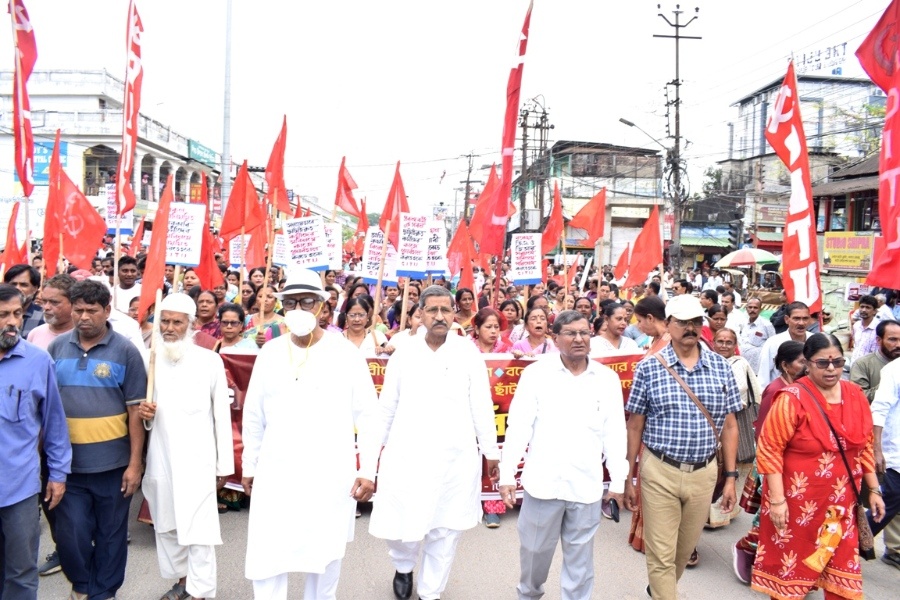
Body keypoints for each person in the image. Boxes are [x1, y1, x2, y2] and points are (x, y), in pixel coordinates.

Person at [242, 270, 379, 600]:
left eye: (306, 302)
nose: (298, 309)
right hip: (276, 471)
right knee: (268, 553)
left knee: (324, 554)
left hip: (329, 473)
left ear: (322, 305)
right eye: (290, 303)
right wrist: (249, 464)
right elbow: (254, 416)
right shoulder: (270, 352)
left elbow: (368, 416)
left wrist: (367, 470)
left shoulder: (346, 353)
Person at [368, 285, 500, 600]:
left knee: (446, 528)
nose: (439, 316)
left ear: (454, 314)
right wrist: (369, 461)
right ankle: (403, 565)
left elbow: (481, 405)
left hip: (455, 457)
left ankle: (430, 592)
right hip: (407, 454)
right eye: (432, 310)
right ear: (421, 314)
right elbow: (386, 409)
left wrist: (491, 451)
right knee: (401, 521)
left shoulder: (467, 352)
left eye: (445, 310)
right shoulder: (404, 352)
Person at [499, 310, 627, 600]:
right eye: (570, 333)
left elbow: (615, 434)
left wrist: (618, 482)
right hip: (543, 485)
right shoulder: (536, 374)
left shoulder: (606, 379)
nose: (579, 339)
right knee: (534, 554)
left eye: (584, 333)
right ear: (555, 338)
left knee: (580, 563)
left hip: (586, 485)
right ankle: (529, 595)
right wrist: (507, 474)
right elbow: (518, 428)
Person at [624, 294, 742, 599]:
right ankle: (665, 592)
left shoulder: (721, 367)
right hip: (659, 469)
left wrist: (731, 478)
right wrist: (628, 476)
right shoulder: (649, 368)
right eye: (683, 322)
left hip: (704, 473)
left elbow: (730, 426)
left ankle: (659, 590)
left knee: (684, 550)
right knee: (661, 554)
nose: (690, 328)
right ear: (668, 324)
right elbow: (635, 425)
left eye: (696, 322)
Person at [751, 334, 886, 599]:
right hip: (794, 506)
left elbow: (865, 445)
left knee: (843, 581)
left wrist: (874, 490)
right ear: (808, 363)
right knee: (790, 581)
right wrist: (777, 502)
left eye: (838, 362)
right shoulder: (791, 399)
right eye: (823, 363)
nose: (832, 369)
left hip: (840, 507)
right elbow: (770, 450)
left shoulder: (855, 395)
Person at [48, 280, 148, 600]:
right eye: (78, 310)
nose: (84, 317)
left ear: (107, 310)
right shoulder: (56, 348)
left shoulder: (126, 352)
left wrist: (135, 464)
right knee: (71, 534)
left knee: (111, 535)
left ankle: (103, 592)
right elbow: (46, 406)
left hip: (114, 466)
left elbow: (135, 411)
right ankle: (81, 584)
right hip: (68, 466)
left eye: (92, 310)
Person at [138, 294, 234, 600]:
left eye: (176, 322)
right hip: (161, 456)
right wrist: (145, 416)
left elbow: (221, 415)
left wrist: (224, 465)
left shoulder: (210, 361)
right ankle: (183, 581)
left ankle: (200, 591)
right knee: (166, 523)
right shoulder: (149, 358)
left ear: (190, 325)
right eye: (164, 321)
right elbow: (142, 414)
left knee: (199, 528)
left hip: (198, 460)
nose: (169, 327)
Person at [0, 283, 71, 599]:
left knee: (21, 572)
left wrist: (58, 474)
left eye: (17, 313)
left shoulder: (38, 361)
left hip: (19, 487)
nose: (12, 322)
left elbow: (54, 423)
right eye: (3, 315)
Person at [731, 340, 807, 584]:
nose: (807, 366)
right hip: (774, 464)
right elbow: (765, 435)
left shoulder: (800, 389)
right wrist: (770, 471)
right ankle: (746, 548)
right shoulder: (776, 390)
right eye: (802, 362)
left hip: (794, 466)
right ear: (785, 365)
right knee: (770, 517)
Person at [709, 327, 762, 528]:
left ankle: (722, 513)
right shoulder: (707, 362)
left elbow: (746, 392)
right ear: (713, 343)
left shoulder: (740, 364)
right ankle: (710, 513)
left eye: (728, 342)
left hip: (736, 419)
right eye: (720, 341)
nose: (724, 345)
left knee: (732, 466)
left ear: (735, 345)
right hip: (711, 420)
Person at [870, 339, 900, 569]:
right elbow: (879, 409)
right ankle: (843, 545)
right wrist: (877, 449)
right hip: (894, 454)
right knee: (886, 504)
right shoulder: (894, 369)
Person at [756, 302, 812, 388]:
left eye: (805, 318)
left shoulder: (814, 341)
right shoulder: (773, 343)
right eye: (796, 318)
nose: (801, 323)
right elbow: (763, 377)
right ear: (786, 319)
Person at [851, 319, 900, 403]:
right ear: (879, 340)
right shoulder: (862, 364)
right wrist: (890, 384)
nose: (898, 345)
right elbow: (857, 396)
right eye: (893, 339)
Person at [3, 264, 44, 338]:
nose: (17, 288)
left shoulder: (43, 317)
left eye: (23, 285)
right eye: (13, 284)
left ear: (35, 289)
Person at [736, 297, 775, 374]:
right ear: (746, 308)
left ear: (760, 309)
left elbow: (773, 344)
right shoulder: (744, 323)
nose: (752, 310)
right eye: (750, 307)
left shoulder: (766, 325)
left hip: (758, 368)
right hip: (743, 365)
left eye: (755, 308)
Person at [851, 294, 881, 365]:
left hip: (870, 366)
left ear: (874, 311)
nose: (864, 310)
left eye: (868, 307)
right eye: (862, 307)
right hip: (854, 364)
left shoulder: (879, 328)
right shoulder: (856, 325)